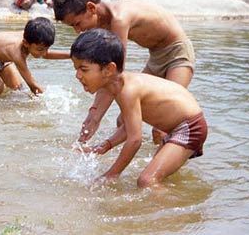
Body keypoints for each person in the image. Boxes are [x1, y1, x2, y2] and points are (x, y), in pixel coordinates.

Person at [52, 0, 195, 144]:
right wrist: (93, 113)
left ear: (91, 8)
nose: (77, 31)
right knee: (122, 121)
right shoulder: (102, 25)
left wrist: (96, 116)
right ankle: (138, 161)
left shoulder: (119, 19)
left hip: (178, 55)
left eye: (77, 24)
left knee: (161, 128)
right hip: (155, 58)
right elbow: (105, 74)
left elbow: (113, 75)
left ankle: (165, 164)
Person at [70, 29, 207, 188]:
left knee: (147, 181)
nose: (78, 75)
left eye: (83, 69)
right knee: (156, 177)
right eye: (76, 68)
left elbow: (135, 140)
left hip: (190, 128)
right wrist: (105, 146)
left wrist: (112, 174)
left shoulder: (127, 91)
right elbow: (129, 127)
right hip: (180, 127)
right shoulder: (117, 86)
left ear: (108, 69)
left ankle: (182, 213)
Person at [0, 17, 69, 97]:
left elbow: (45, 54)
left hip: (3, 59)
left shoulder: (32, 37)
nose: (44, 53)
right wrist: (48, 100)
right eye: (40, 49)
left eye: (47, 48)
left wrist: (72, 55)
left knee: (18, 89)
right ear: (25, 43)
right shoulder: (16, 52)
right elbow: (33, 86)